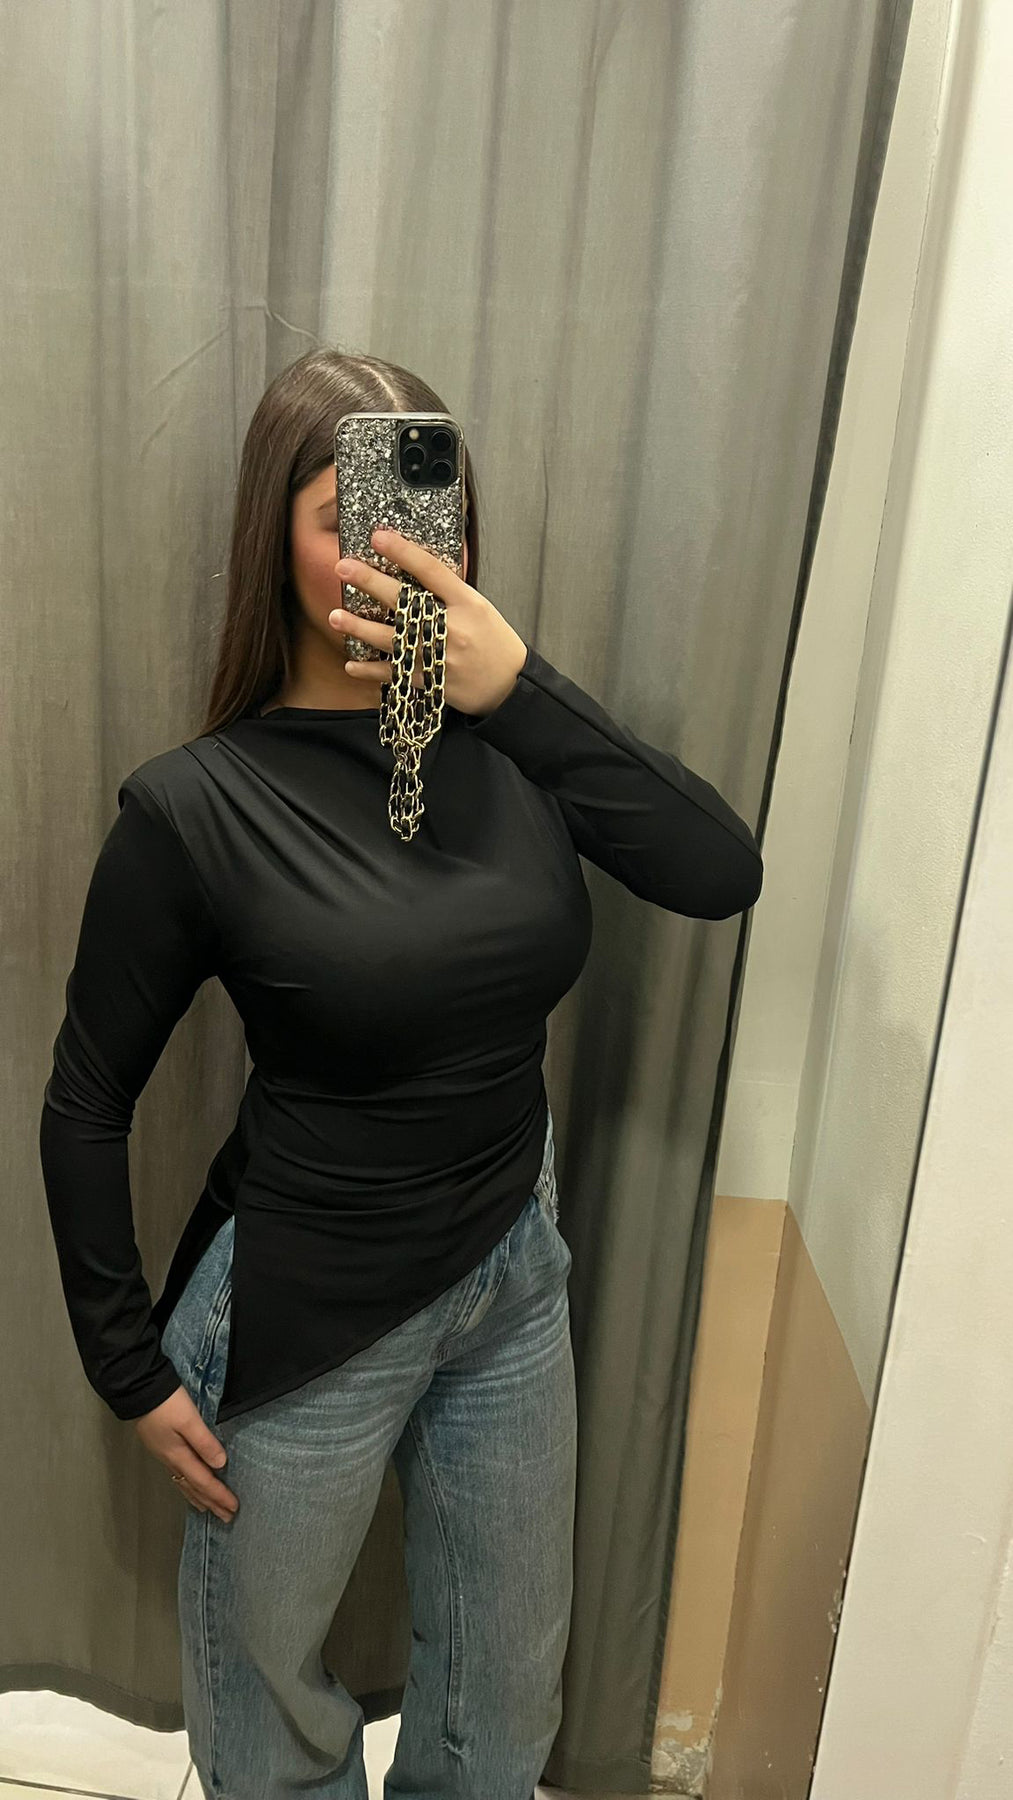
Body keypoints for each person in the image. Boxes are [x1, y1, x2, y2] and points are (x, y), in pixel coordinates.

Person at [39, 348, 764, 1799]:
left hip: (513, 1277)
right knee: (273, 1712)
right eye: (347, 516)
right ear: (275, 541)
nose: (403, 548)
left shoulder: (513, 749)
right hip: (304, 1313)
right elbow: (85, 1103)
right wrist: (124, 1362)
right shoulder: (197, 807)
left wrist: (521, 690)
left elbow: (716, 871)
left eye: (432, 510)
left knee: (500, 1705)